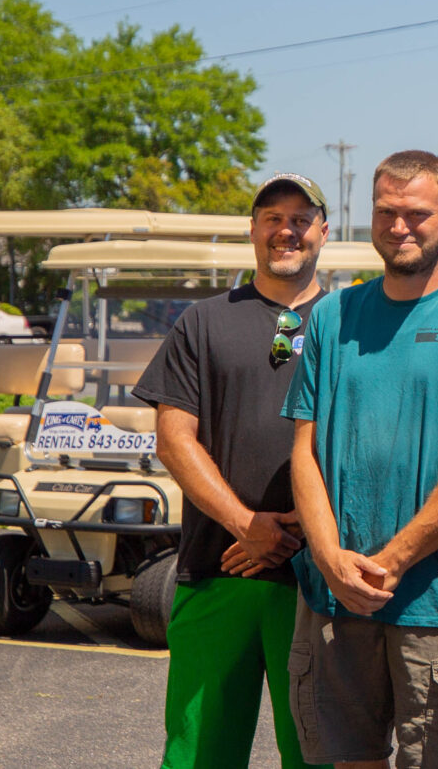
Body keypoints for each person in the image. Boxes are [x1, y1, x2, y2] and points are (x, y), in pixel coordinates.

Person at [286, 150, 438, 769]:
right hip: (334, 595)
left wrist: (390, 561)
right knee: (347, 759)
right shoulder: (333, 315)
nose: (399, 227)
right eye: (385, 213)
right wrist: (329, 558)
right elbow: (305, 453)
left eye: (416, 214)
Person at [136, 173, 326, 769]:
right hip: (220, 568)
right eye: (272, 217)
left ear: (323, 230)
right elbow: (173, 439)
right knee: (200, 753)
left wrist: (296, 530)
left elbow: (372, 442)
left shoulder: (351, 322)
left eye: (300, 218)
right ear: (252, 230)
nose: (285, 230)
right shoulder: (204, 321)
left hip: (320, 579)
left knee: (321, 752)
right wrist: (247, 524)